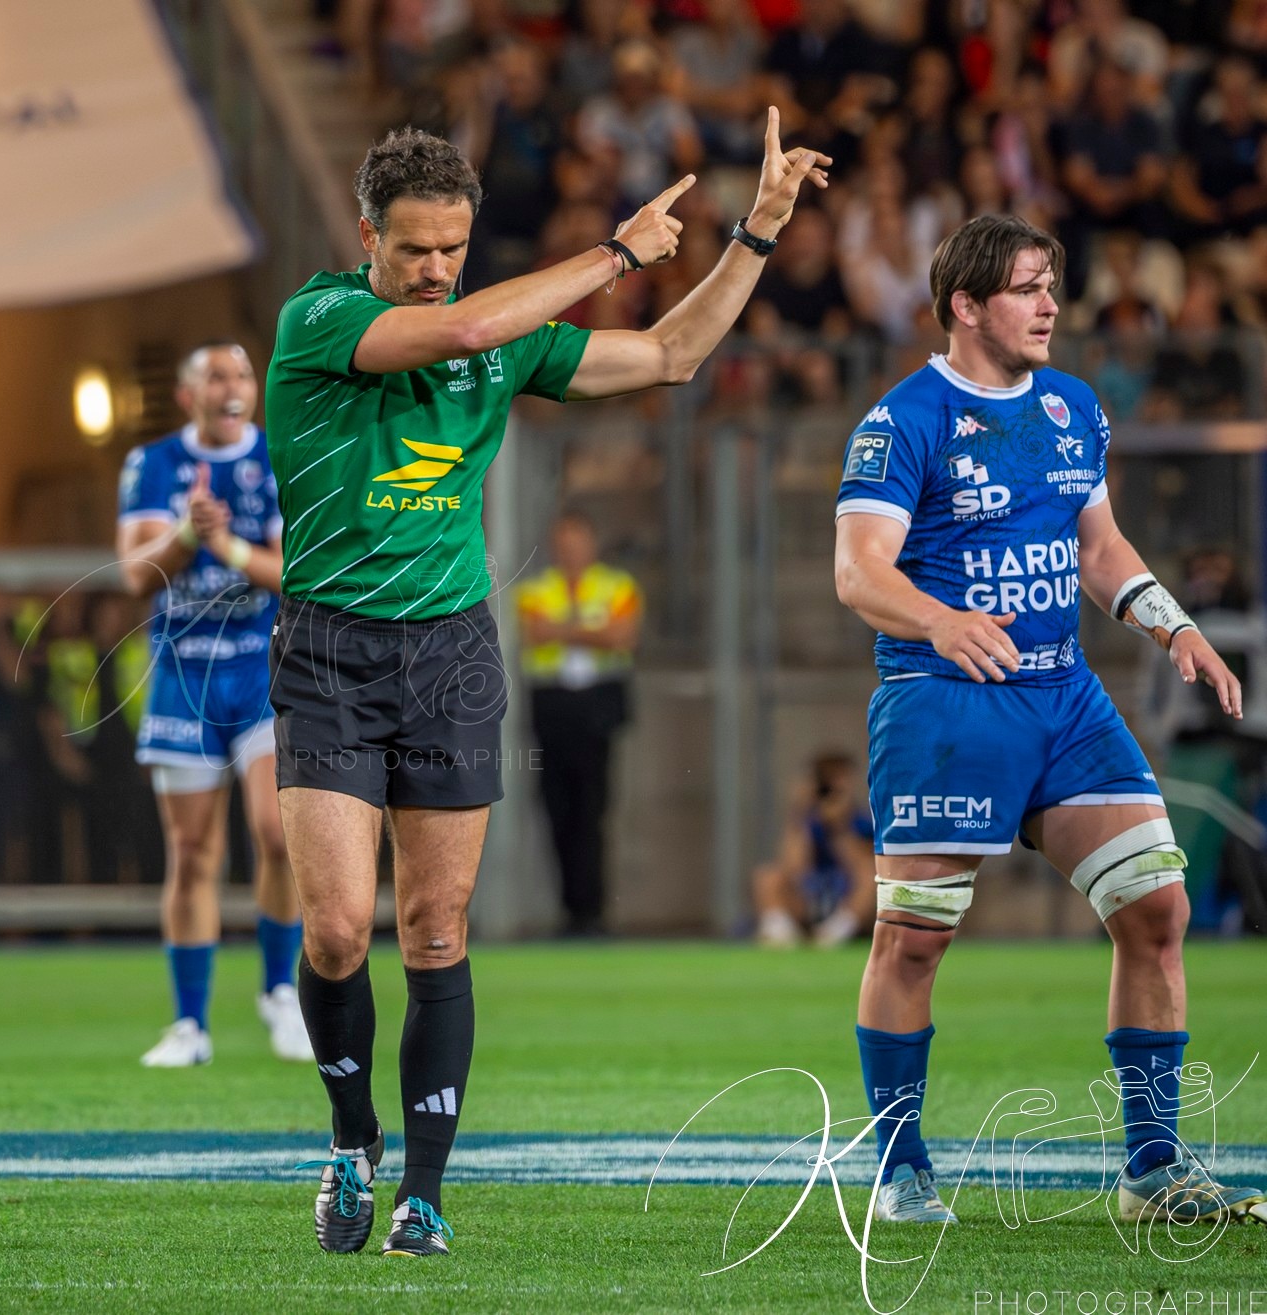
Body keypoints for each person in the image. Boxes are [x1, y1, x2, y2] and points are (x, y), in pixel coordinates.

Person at [266, 110, 830, 1257]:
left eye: (450, 247)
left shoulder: (505, 334)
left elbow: (670, 355)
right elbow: (472, 323)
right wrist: (614, 254)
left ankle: (423, 1190)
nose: (433, 271)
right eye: (413, 248)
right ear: (365, 233)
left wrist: (754, 237)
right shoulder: (319, 318)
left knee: (433, 928)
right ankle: (348, 1136)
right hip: (328, 649)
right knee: (332, 930)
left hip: (448, 653)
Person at [832, 213, 1266, 1226]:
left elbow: (1097, 543)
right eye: (1026, 288)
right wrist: (939, 621)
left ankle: (1151, 1169)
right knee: (911, 941)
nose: (1047, 306)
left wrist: (1170, 626)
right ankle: (899, 1168)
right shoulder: (902, 421)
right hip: (944, 703)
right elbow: (858, 572)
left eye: (1049, 287)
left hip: (1063, 696)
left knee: (1155, 909)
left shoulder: (1072, 407)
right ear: (964, 306)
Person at [115, 342, 313, 1068]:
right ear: (187, 394)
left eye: (242, 375)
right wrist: (184, 534)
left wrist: (224, 544)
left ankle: (279, 993)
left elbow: (294, 574)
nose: (234, 388)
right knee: (193, 850)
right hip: (182, 673)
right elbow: (136, 574)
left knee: (278, 831)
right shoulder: (152, 464)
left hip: (261, 669)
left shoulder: (281, 456)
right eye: (217, 377)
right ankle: (189, 1024)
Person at [516, 510, 643, 935]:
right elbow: (536, 633)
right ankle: (570, 907)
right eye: (563, 544)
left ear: (590, 545)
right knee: (556, 808)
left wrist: (563, 629)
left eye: (577, 543)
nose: (570, 552)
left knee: (592, 808)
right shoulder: (537, 589)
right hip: (553, 703)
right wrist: (592, 628)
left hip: (596, 704)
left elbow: (621, 636)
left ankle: (592, 909)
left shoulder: (617, 585)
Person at [753, 751, 875, 948]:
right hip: (811, 898)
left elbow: (865, 868)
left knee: (870, 876)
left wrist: (839, 828)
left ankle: (833, 937)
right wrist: (799, 815)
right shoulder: (805, 822)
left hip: (846, 900)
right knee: (768, 876)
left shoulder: (864, 821)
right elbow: (793, 869)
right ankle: (782, 937)